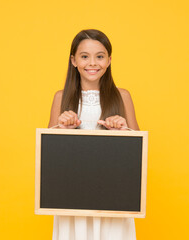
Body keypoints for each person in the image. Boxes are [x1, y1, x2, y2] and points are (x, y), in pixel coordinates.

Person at [48, 29, 139, 240]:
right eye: (84, 56)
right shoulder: (60, 98)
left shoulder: (122, 96)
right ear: (73, 60)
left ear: (108, 60)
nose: (92, 63)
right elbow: (50, 158)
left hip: (114, 200)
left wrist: (122, 130)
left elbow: (137, 153)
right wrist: (63, 129)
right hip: (72, 200)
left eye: (100, 56)